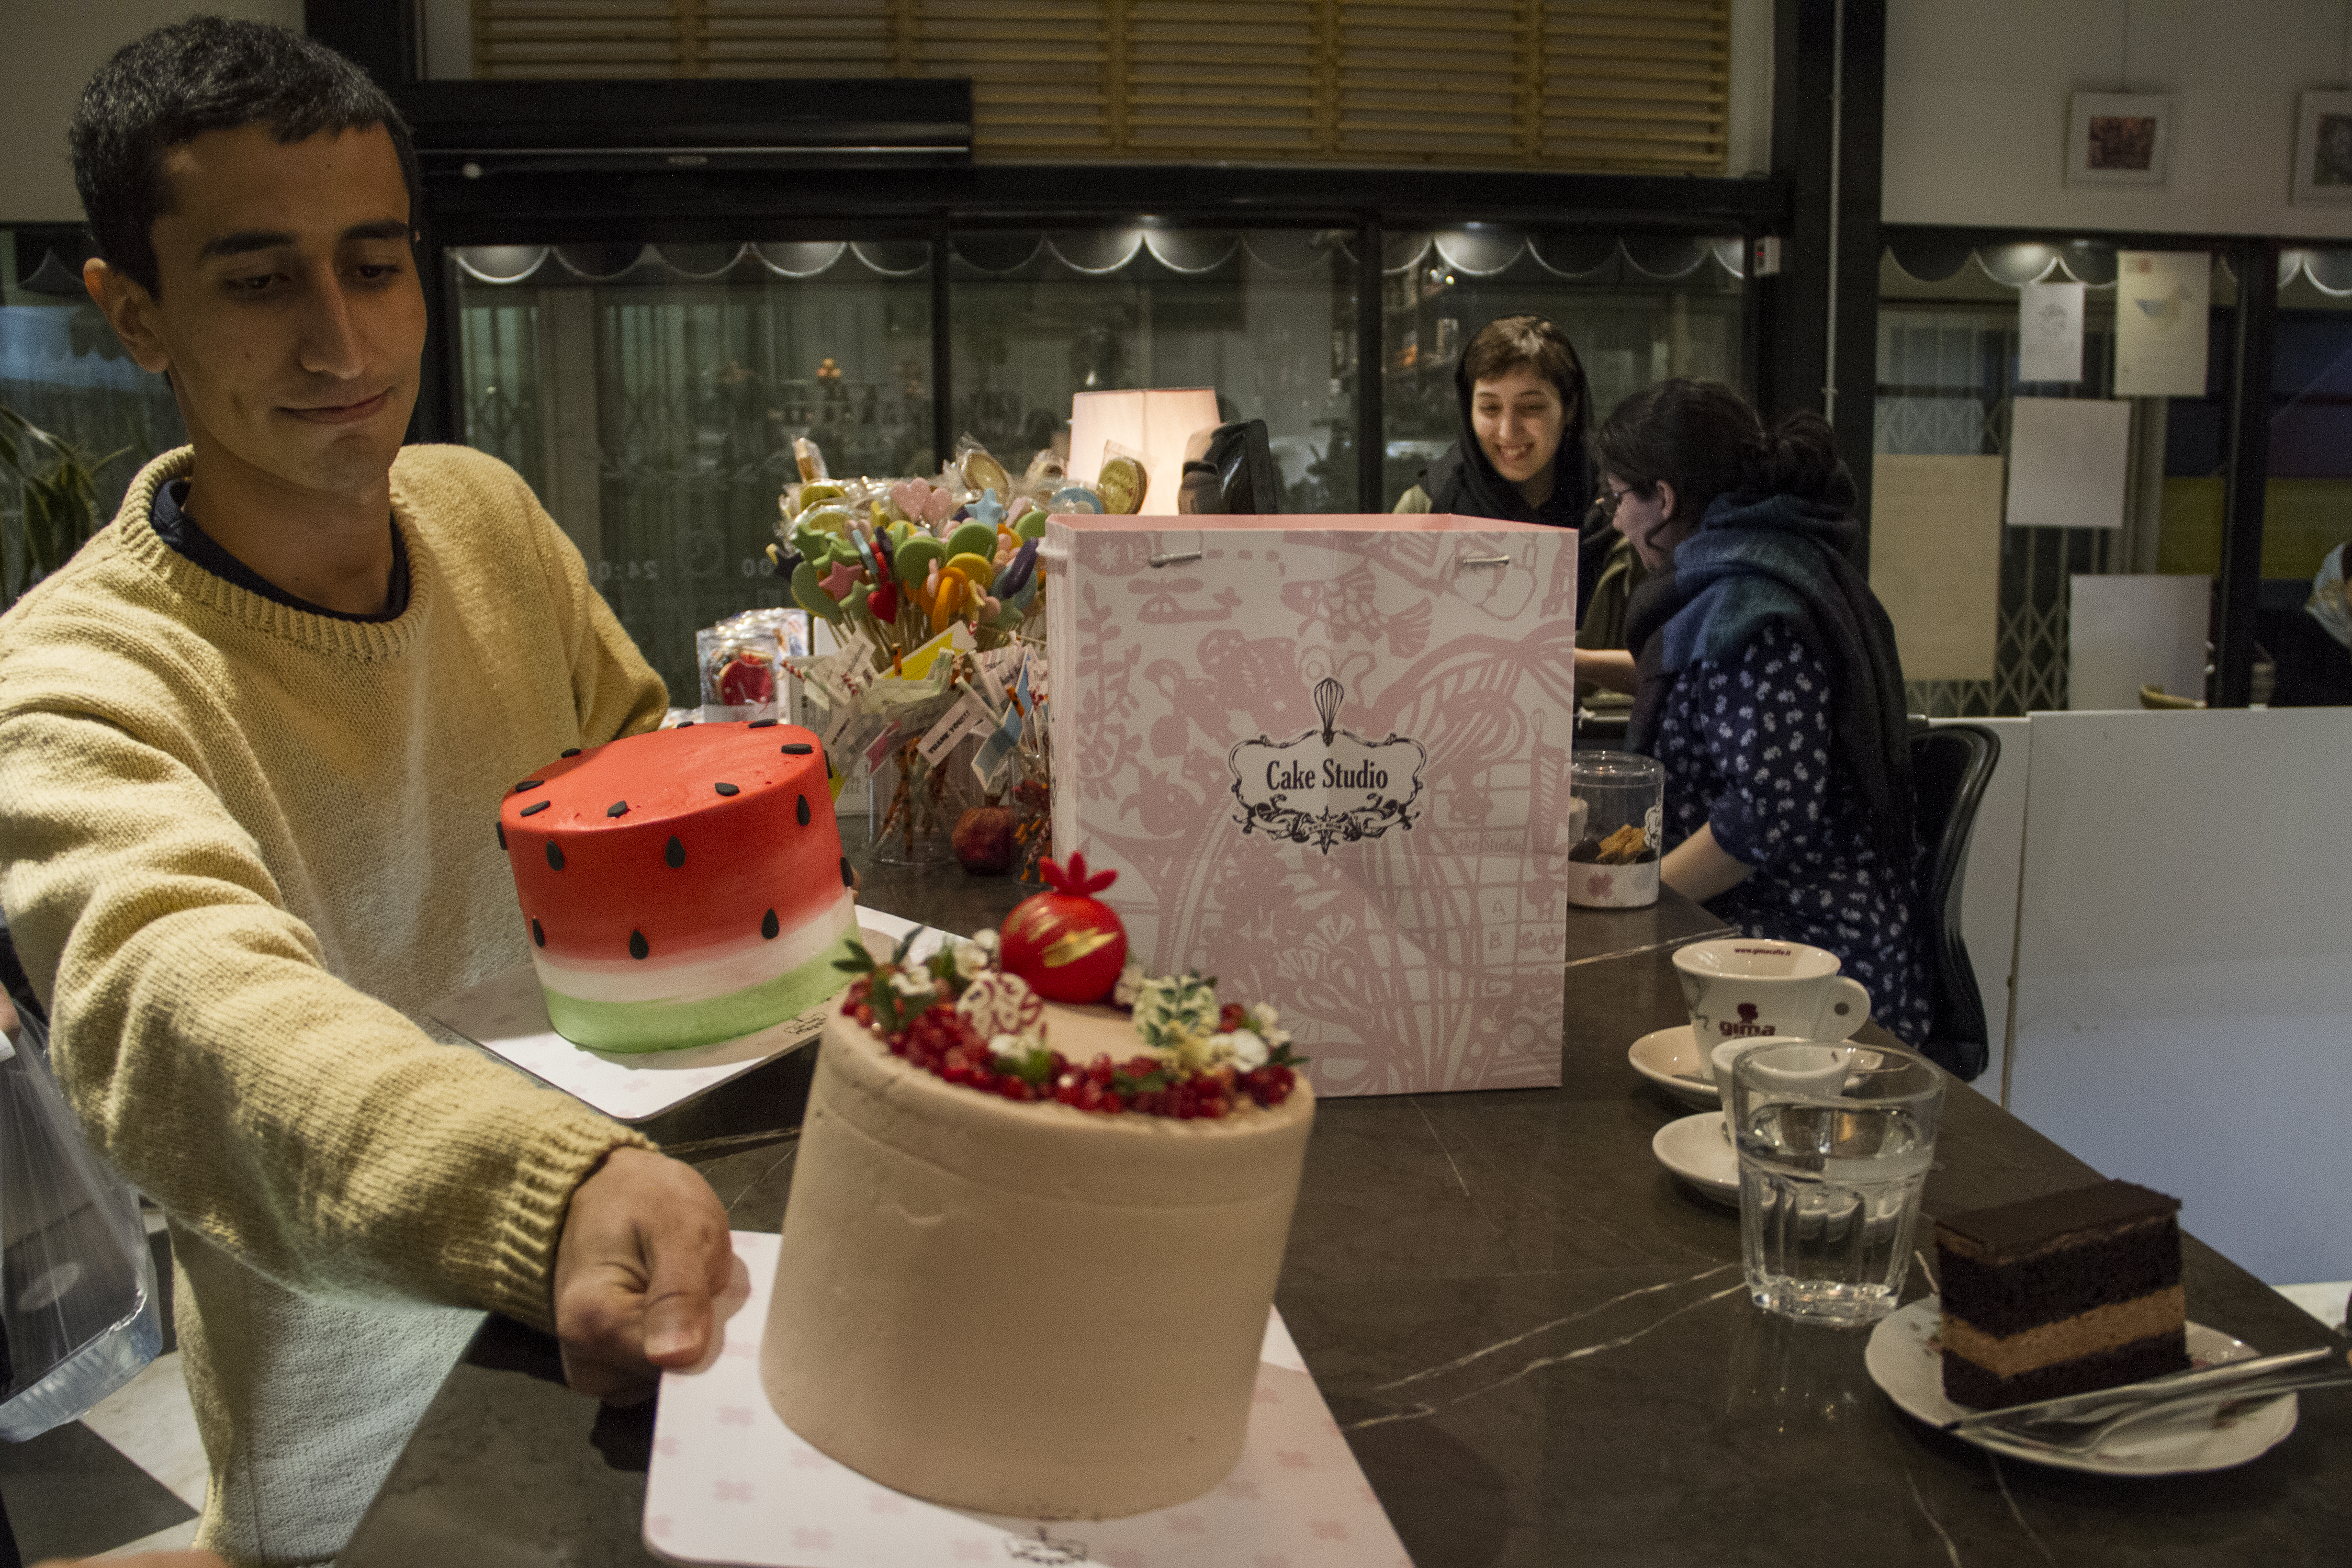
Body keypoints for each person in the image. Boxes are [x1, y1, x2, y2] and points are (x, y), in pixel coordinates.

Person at [0, 21, 731, 1564]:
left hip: (650, 1286)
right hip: (355, 1413)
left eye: (376, 264)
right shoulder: (67, 675)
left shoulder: (484, 512)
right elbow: (186, 1006)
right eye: (261, 281)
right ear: (134, 310)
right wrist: (542, 1187)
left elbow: (638, 789)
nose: (342, 345)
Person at [1578, 379, 1934, 1048]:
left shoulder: (1755, 606)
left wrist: (1635, 903)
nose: (1617, 520)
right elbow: (1705, 684)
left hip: (1803, 961)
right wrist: (1575, 663)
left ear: (1665, 498)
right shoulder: (1759, 566)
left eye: (1619, 497)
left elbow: (1765, 815)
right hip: (1779, 936)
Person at [1392, 314, 1637, 637]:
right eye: (1490, 409)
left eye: (1531, 408)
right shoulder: (1425, 508)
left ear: (1570, 407)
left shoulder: (1625, 511)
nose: (1508, 431)